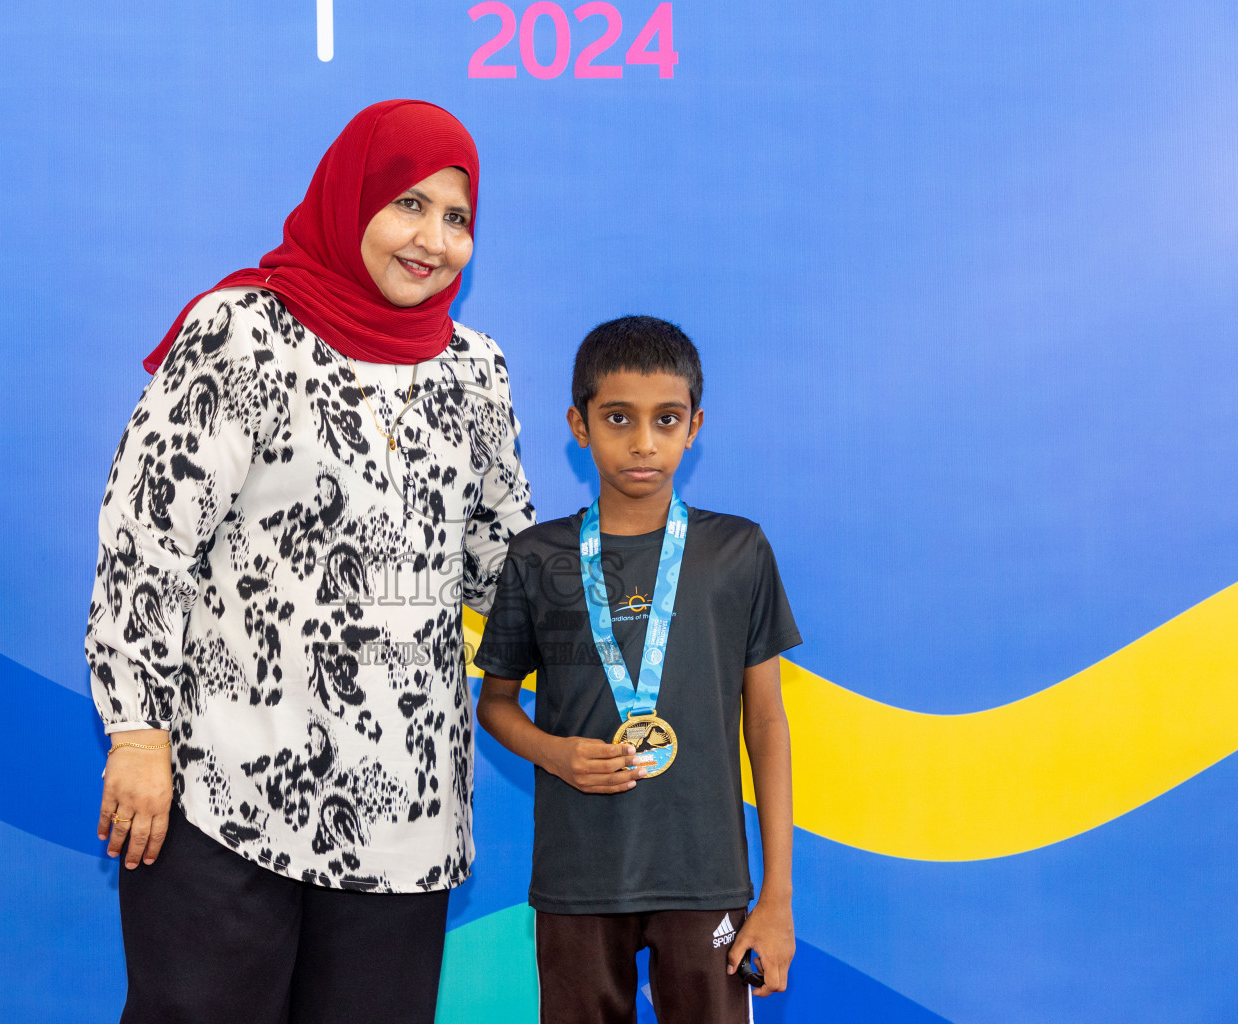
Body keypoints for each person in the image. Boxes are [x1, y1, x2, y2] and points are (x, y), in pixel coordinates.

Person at [85, 99, 535, 1024]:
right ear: (351, 198)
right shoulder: (245, 332)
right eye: (409, 204)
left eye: (458, 219)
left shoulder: (475, 369)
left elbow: (505, 566)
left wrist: (641, 599)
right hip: (220, 792)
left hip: (403, 819)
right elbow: (147, 541)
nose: (435, 239)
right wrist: (137, 734)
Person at [474, 315, 799, 1024]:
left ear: (695, 426)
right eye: (618, 418)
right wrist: (554, 754)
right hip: (577, 877)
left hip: (704, 875)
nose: (644, 442)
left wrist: (776, 897)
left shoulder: (737, 551)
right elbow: (494, 703)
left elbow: (768, 722)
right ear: (579, 424)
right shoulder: (539, 558)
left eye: (667, 419)